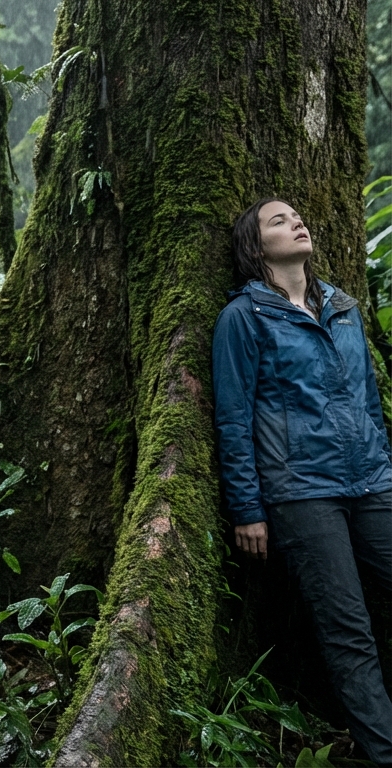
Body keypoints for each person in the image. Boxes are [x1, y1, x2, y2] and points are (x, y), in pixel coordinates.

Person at [213, 198, 392, 763]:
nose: (296, 222)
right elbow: (233, 420)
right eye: (279, 220)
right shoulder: (243, 318)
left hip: (372, 482)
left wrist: (385, 467)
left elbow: (369, 402)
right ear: (255, 245)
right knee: (349, 630)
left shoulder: (342, 307)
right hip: (302, 493)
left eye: (297, 216)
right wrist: (247, 509)